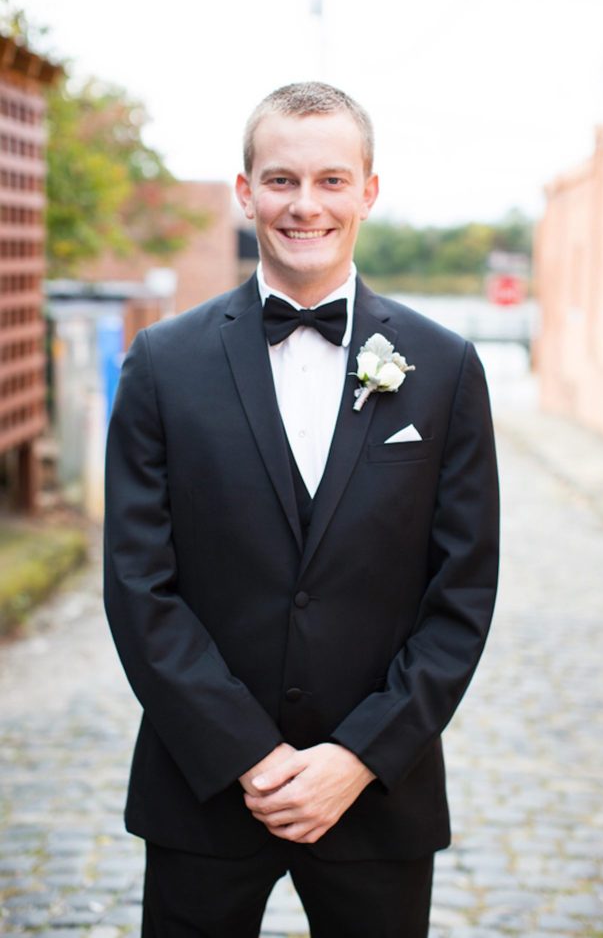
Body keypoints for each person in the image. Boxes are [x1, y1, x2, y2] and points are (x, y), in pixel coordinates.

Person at [104, 81, 499, 938]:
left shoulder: (446, 365)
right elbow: (140, 587)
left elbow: (461, 596)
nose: (305, 204)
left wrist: (358, 757)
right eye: (280, 180)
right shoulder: (162, 365)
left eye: (330, 180)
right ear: (245, 192)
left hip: (377, 794)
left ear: (368, 190)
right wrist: (246, 753)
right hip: (202, 789)